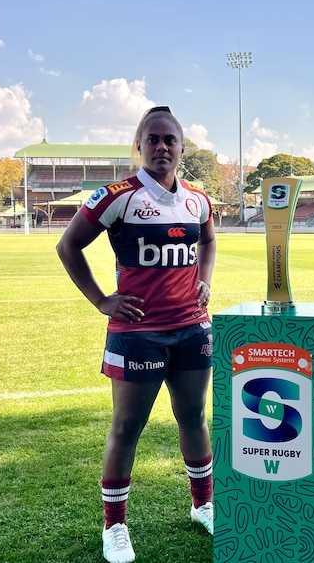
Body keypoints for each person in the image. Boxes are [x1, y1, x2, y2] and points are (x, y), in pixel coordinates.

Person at [56, 106, 216, 563]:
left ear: (182, 148)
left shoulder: (197, 200)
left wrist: (205, 278)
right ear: (140, 145)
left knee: (193, 417)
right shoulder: (116, 196)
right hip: (138, 332)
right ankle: (116, 527)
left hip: (191, 328)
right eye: (154, 139)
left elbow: (207, 241)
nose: (162, 147)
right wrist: (101, 300)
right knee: (127, 426)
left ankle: (203, 504)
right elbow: (68, 246)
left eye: (170, 140)